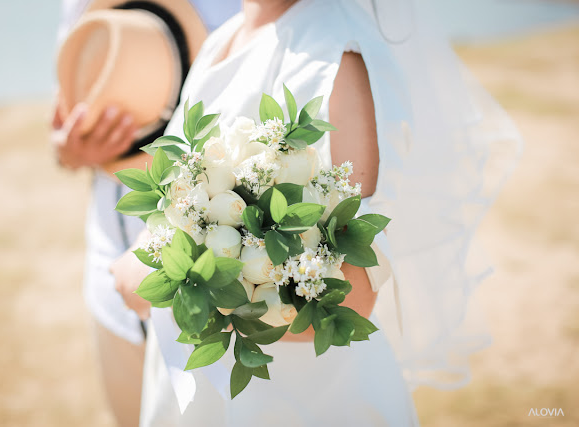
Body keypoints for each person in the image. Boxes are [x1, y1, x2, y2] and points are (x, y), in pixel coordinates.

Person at [111, 0, 522, 425]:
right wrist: (151, 248)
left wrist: (170, 286)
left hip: (298, 400)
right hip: (201, 394)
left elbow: (356, 290)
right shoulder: (222, 41)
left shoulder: (338, 57)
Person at [51, 1, 241, 426]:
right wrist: (70, 151)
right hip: (110, 282)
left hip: (222, 292)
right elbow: (60, 128)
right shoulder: (85, 14)